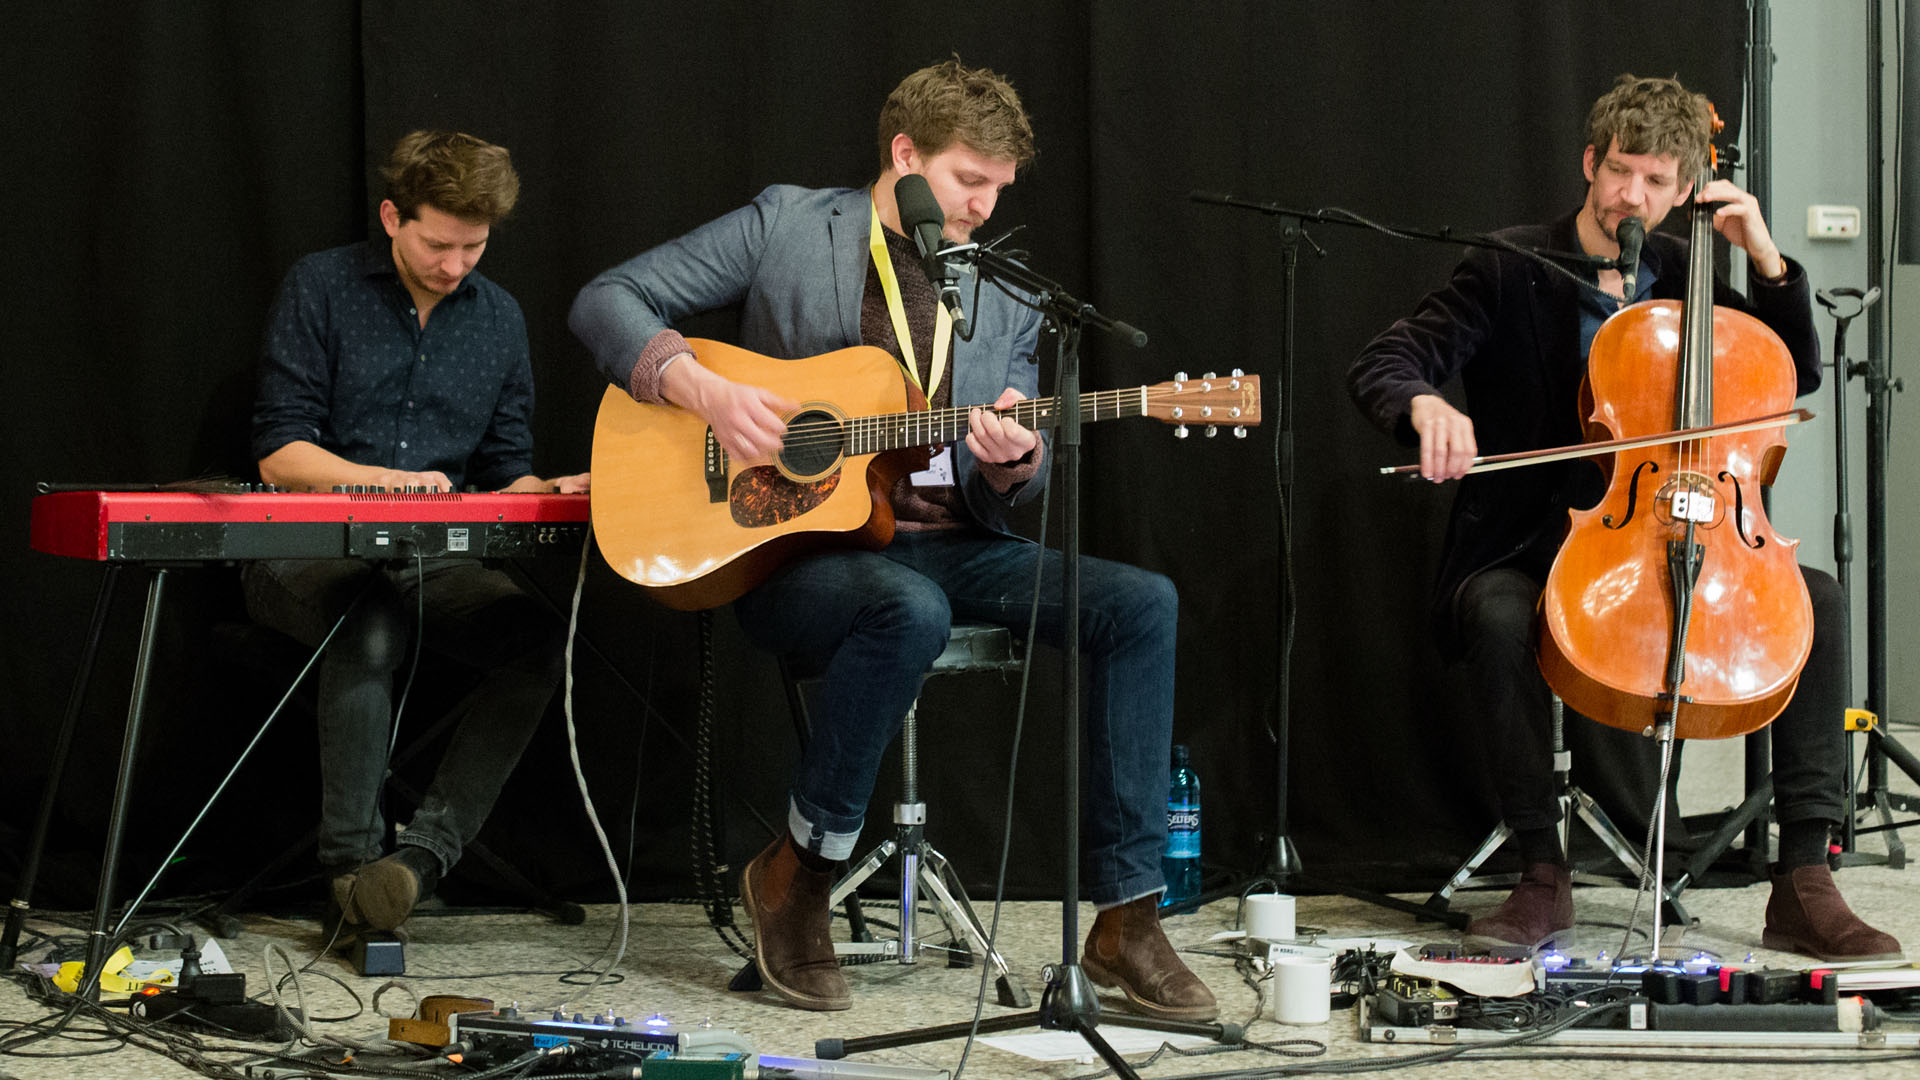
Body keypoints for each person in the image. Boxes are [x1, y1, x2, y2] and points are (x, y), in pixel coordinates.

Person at [570, 59, 1217, 1018]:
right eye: (968, 182)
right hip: (798, 552)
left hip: (959, 544)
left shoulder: (1007, 291)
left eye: (999, 189)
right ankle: (799, 872)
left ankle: (1127, 915)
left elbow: (1022, 480)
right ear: (905, 156)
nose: (985, 210)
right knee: (904, 608)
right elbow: (605, 300)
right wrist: (702, 389)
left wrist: (1012, 461)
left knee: (1141, 603)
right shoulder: (789, 224)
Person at [1348, 75, 1901, 962]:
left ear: (1685, 191)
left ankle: (1804, 879)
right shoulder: (1508, 264)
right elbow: (1394, 354)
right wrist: (1421, 404)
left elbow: (1786, 373)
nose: (1630, 197)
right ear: (1589, 163)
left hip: (1680, 525)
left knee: (1821, 603)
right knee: (1495, 613)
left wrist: (1763, 256)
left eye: (1654, 181)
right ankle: (1541, 869)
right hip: (1532, 540)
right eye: (1618, 172)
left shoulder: (1692, 275)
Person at [246, 131, 588, 935]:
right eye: (438, 243)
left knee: (540, 642)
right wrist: (398, 485)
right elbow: (278, 453)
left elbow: (508, 470)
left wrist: (555, 490)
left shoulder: (498, 316)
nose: (455, 265)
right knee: (368, 617)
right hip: (302, 551)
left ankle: (420, 860)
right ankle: (351, 871)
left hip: (431, 556)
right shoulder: (321, 286)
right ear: (393, 216)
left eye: (473, 247)